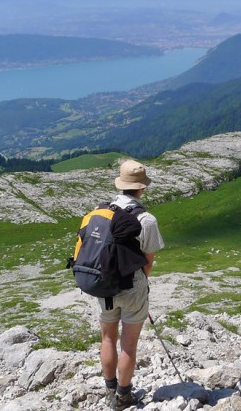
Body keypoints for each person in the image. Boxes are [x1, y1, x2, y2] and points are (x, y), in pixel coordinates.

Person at [97, 159, 165, 409]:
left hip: (103, 285)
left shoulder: (102, 211)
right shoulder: (146, 219)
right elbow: (148, 263)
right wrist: (141, 284)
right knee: (129, 343)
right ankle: (124, 396)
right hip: (133, 286)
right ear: (142, 188)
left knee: (107, 338)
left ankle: (109, 390)